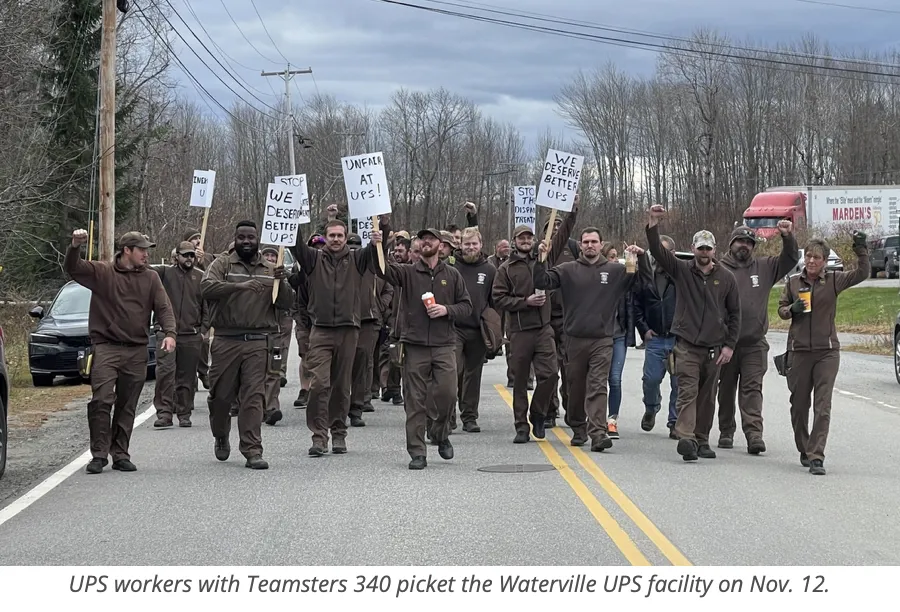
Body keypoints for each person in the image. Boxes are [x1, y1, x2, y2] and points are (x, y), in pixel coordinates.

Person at [65, 229, 176, 474]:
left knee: (127, 404)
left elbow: (164, 307)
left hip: (136, 350)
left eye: (147, 250)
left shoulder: (151, 278)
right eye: (142, 250)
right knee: (101, 400)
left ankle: (121, 453)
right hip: (106, 347)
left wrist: (169, 333)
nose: (146, 255)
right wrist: (75, 246)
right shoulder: (102, 272)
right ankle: (99, 454)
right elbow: (73, 268)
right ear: (127, 250)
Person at [645, 205, 741, 462]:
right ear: (693, 248)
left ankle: (702, 439)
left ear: (714, 251)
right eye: (700, 247)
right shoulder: (681, 270)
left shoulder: (727, 278)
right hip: (686, 345)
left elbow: (735, 314)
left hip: (715, 348)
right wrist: (653, 223)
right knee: (688, 391)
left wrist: (729, 345)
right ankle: (686, 437)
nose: (704, 252)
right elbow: (656, 251)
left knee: (708, 397)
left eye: (708, 248)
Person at [534, 228, 643, 451]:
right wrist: (541, 259)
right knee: (576, 388)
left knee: (597, 386)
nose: (590, 245)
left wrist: (638, 259)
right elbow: (542, 281)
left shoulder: (614, 270)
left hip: (602, 339)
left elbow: (641, 283)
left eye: (594, 241)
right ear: (580, 245)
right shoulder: (567, 270)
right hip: (574, 339)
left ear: (601, 244)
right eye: (586, 242)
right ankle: (578, 426)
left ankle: (598, 433)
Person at [376, 227, 473, 469]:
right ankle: (417, 452)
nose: (426, 242)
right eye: (423, 239)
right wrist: (378, 243)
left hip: (444, 344)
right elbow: (381, 269)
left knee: (448, 395)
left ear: (441, 245)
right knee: (415, 401)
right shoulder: (407, 273)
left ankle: (440, 434)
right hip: (415, 345)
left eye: (431, 239)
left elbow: (466, 306)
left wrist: (446, 310)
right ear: (418, 246)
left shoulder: (452, 275)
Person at [201, 221, 294, 470]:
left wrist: (282, 282)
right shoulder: (222, 263)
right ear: (235, 238)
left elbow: (286, 304)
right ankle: (221, 434)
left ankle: (252, 449)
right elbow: (206, 288)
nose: (246, 241)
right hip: (226, 340)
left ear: (258, 240)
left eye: (251, 237)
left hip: (258, 341)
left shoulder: (270, 268)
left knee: (253, 397)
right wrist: (238, 286)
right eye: (241, 237)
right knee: (220, 396)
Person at [289, 209, 382, 457]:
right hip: (320, 331)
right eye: (332, 235)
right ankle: (319, 437)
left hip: (349, 331)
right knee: (320, 384)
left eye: (340, 235)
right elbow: (295, 244)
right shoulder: (313, 259)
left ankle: (339, 433)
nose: (337, 239)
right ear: (325, 237)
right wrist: (294, 218)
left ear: (345, 237)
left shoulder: (357, 259)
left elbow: (376, 250)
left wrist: (379, 235)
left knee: (342, 386)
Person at [778, 233, 869, 475]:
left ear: (825, 261)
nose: (811, 261)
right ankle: (804, 447)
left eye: (816, 257)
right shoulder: (793, 282)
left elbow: (862, 274)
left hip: (826, 352)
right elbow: (781, 310)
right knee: (798, 405)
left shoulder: (834, 281)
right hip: (799, 352)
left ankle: (816, 455)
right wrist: (791, 309)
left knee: (822, 405)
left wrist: (861, 251)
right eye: (808, 256)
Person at [717, 223, 799, 453]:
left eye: (749, 243)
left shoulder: (764, 267)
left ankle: (754, 434)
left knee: (752, 389)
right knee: (725, 389)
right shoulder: (719, 268)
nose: (744, 246)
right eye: (740, 241)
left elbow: (791, 257)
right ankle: (726, 430)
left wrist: (787, 236)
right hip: (725, 344)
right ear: (731, 243)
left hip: (754, 343)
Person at [492, 224, 559, 442]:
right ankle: (521, 425)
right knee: (520, 381)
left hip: (543, 328)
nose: (526, 240)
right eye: (521, 238)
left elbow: (562, 237)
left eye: (529, 237)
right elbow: (498, 298)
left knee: (550, 375)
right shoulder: (506, 268)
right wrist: (525, 302)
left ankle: (538, 413)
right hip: (519, 330)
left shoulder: (543, 260)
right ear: (514, 241)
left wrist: (573, 211)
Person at [151, 241, 207, 429]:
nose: (189, 258)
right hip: (166, 333)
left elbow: (207, 306)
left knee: (187, 376)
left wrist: (204, 330)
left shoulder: (201, 277)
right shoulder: (165, 273)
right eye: (185, 255)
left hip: (191, 334)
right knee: (165, 373)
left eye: (192, 255)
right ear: (176, 257)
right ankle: (164, 413)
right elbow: (144, 268)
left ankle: (184, 413)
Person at [448, 227, 496, 433]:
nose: (470, 247)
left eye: (474, 244)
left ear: (481, 245)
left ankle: (469, 416)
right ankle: (448, 417)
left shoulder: (490, 269)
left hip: (477, 329)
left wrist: (493, 326)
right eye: (466, 244)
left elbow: (494, 301)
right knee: (451, 373)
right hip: (454, 328)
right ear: (460, 245)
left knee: (473, 375)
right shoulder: (450, 266)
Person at [633, 234, 679, 439]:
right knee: (651, 380)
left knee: (679, 383)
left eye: (666, 251)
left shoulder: (683, 276)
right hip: (656, 338)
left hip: (678, 339)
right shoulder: (647, 277)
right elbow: (636, 305)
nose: (661, 256)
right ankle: (651, 408)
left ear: (673, 254)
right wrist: (644, 329)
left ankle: (675, 422)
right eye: (657, 252)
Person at [348, 233, 394, 428]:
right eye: (349, 245)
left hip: (369, 320)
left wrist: (378, 307)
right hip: (344, 321)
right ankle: (339, 406)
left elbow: (388, 289)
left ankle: (359, 404)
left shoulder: (372, 265)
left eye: (357, 245)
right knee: (342, 367)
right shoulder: (338, 264)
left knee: (363, 363)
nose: (353, 248)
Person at [599, 243, 636, 440]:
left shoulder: (623, 281)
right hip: (599, 336)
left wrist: (632, 259)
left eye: (616, 257)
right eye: (610, 256)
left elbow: (637, 279)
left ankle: (612, 420)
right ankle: (595, 419)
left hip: (618, 335)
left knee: (615, 379)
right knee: (597, 380)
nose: (613, 260)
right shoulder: (598, 279)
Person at [259, 245, 293, 426]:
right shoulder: (256, 275)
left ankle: (272, 407)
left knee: (273, 370)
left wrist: (282, 283)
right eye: (267, 255)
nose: (271, 259)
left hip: (276, 330)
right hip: (256, 330)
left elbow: (289, 303)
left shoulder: (283, 278)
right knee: (255, 372)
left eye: (274, 255)